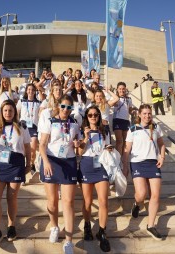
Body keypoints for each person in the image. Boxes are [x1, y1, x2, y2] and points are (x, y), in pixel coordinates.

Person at [0, 100, 31, 254]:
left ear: (14, 112)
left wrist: (29, 164)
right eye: (5, 111)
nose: (8, 113)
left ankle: (11, 226)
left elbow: (28, 147)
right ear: (1, 113)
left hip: (16, 164)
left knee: (11, 198)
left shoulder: (22, 127)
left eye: (10, 110)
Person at [39, 95, 80, 254]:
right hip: (51, 161)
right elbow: (42, 145)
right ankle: (54, 226)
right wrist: (46, 162)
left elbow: (79, 143)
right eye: (63, 106)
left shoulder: (75, 123)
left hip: (68, 161)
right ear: (58, 106)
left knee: (68, 202)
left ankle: (69, 241)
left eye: (69, 108)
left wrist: (78, 143)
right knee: (52, 200)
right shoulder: (50, 121)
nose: (65, 110)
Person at [122, 104, 166, 241]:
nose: (147, 116)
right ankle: (137, 204)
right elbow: (127, 149)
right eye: (144, 113)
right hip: (137, 163)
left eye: (149, 113)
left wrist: (162, 156)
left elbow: (161, 144)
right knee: (141, 194)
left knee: (156, 195)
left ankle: (151, 225)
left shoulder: (156, 127)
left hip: (153, 163)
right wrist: (125, 165)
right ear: (139, 115)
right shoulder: (133, 129)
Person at [78, 106, 112, 252]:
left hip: (101, 165)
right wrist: (85, 137)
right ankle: (87, 225)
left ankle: (102, 232)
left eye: (95, 115)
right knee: (87, 201)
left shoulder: (104, 130)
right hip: (86, 164)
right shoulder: (81, 130)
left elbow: (109, 145)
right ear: (87, 116)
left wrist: (110, 148)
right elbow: (79, 152)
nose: (93, 117)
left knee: (103, 200)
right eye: (90, 115)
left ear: (98, 116)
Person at [16, 84, 41, 173]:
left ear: (35, 91)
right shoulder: (21, 101)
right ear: (26, 91)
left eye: (32, 90)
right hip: (23, 127)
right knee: (23, 149)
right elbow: (16, 112)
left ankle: (31, 164)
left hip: (33, 128)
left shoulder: (38, 103)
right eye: (29, 89)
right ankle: (23, 168)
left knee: (33, 149)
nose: (30, 91)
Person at [113, 82, 135, 156]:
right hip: (117, 120)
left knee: (126, 141)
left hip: (126, 121)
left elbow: (130, 110)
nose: (121, 90)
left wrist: (133, 112)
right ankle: (118, 159)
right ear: (117, 89)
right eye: (120, 89)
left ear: (125, 89)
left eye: (123, 89)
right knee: (119, 141)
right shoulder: (115, 98)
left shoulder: (129, 99)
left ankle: (123, 158)